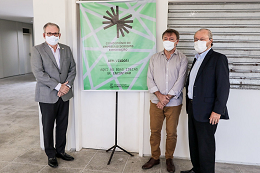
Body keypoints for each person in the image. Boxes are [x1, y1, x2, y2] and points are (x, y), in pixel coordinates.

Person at [181, 29, 230, 173]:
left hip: (209, 111)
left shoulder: (218, 58)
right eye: (196, 39)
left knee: (205, 146)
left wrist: (217, 111)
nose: (198, 42)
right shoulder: (197, 59)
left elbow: (223, 87)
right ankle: (197, 169)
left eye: (202, 39)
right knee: (194, 143)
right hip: (193, 108)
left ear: (211, 40)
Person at [31, 22, 76, 168]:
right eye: (49, 33)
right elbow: (39, 74)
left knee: (63, 124)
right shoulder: (38, 50)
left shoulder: (66, 49)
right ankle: (51, 154)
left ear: (59, 35)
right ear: (44, 35)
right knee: (48, 126)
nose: (53, 36)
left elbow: (72, 69)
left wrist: (66, 86)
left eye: (55, 33)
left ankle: (60, 151)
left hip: (64, 94)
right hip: (47, 95)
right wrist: (58, 86)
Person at [143, 29, 188, 173]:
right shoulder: (154, 58)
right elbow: (149, 79)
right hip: (155, 101)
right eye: (166, 38)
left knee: (171, 133)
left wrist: (166, 99)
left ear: (177, 41)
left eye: (171, 38)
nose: (168, 40)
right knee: (154, 131)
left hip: (174, 104)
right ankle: (155, 157)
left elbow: (181, 82)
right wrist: (159, 96)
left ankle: (169, 158)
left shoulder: (182, 59)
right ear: (162, 40)